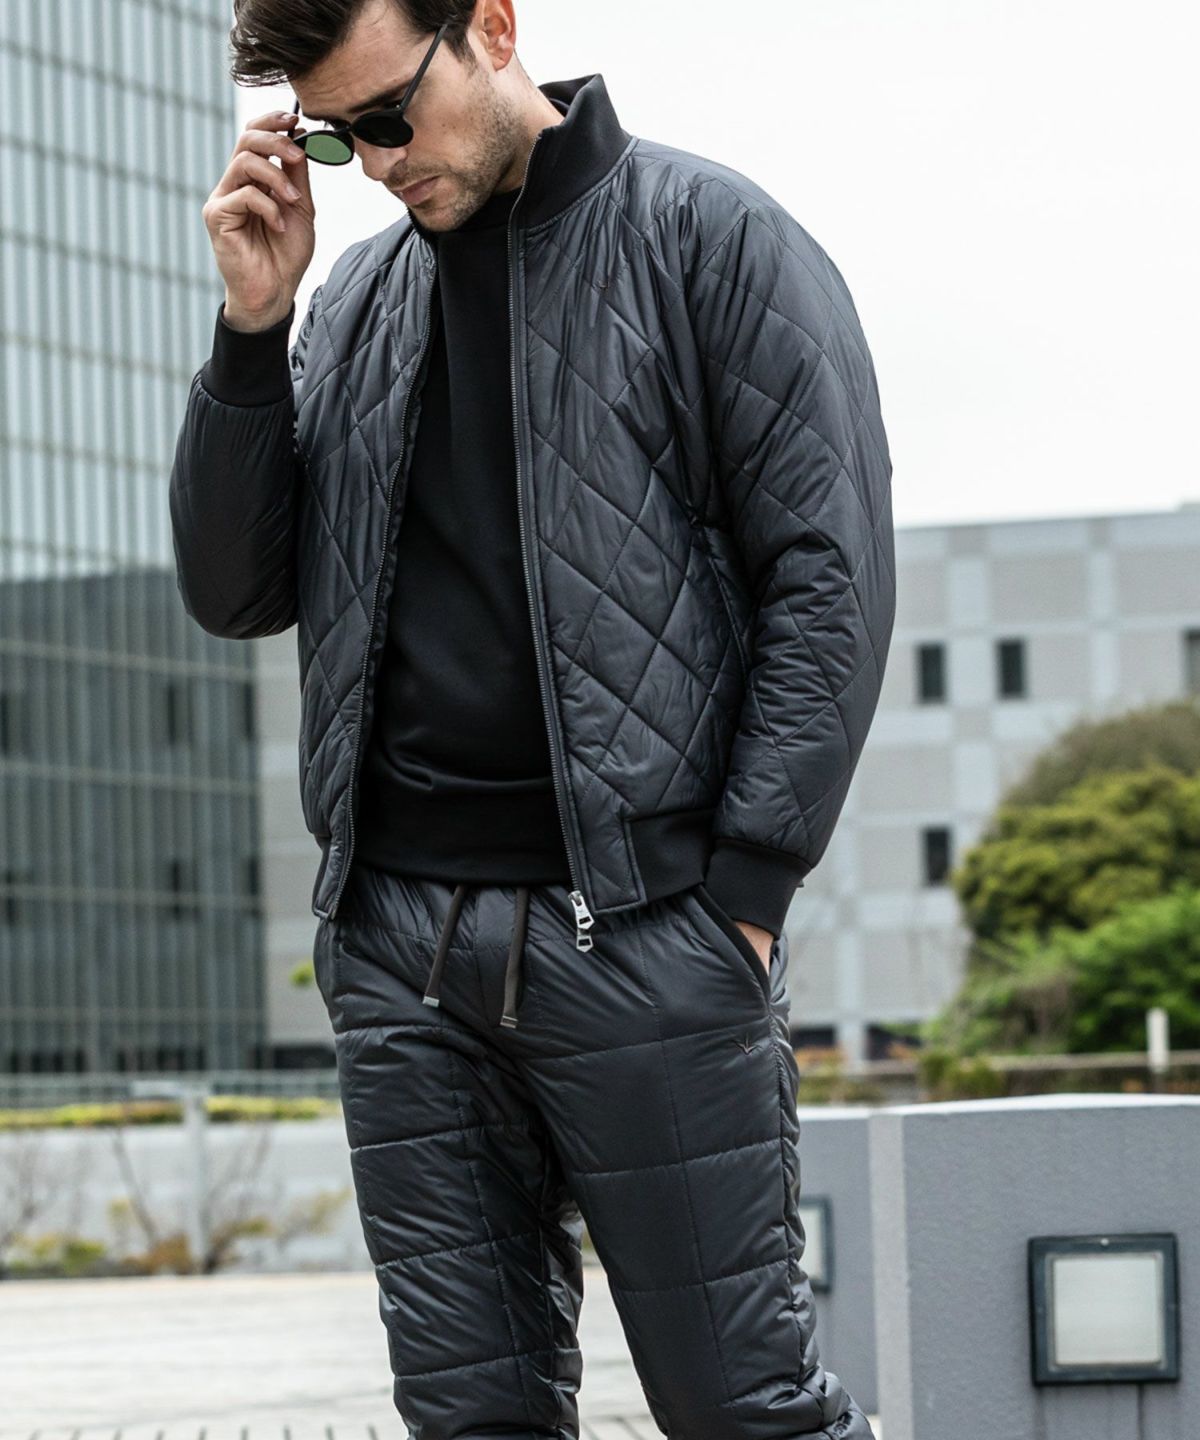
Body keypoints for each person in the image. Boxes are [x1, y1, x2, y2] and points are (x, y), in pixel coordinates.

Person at [169, 0, 894, 1435]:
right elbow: (236, 591)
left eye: (393, 113)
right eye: (340, 136)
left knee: (746, 1412)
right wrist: (254, 331)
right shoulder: (358, 304)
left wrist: (742, 899)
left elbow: (829, 581)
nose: (382, 163)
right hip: (402, 959)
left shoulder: (709, 240)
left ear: (491, 26)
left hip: (648, 938)